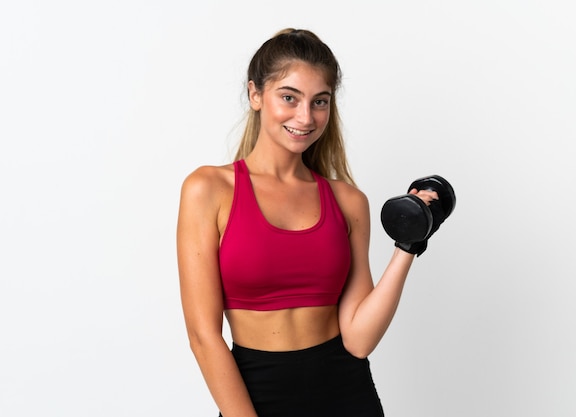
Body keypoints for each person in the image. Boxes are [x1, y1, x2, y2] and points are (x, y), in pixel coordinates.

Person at [177, 28, 440, 417]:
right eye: (289, 97)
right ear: (255, 95)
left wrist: (410, 244)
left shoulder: (348, 201)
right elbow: (203, 336)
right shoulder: (209, 189)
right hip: (255, 397)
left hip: (348, 395)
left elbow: (359, 339)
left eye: (320, 101)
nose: (305, 117)